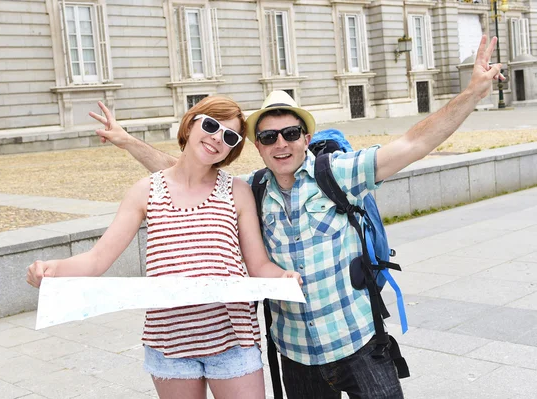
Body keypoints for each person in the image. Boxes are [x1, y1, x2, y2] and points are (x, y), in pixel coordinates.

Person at [90, 36, 503, 398]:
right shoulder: (251, 190)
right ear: (257, 146)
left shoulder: (338, 172)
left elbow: (412, 143)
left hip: (357, 341)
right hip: (295, 354)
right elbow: (185, 170)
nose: (281, 144)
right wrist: (127, 142)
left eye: (290, 134)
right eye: (268, 137)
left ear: (305, 136)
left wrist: (471, 94)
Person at [26, 96, 303, 399]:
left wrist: (282, 278)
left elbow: (258, 265)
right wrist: (53, 270)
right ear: (191, 123)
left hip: (231, 339)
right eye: (211, 125)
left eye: (229, 136)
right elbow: (97, 258)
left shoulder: (236, 191)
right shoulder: (146, 191)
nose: (216, 139)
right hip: (169, 343)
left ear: (233, 149)